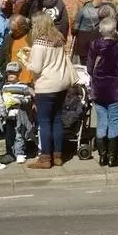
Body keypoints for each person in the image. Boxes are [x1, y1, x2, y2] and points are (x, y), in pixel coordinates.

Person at [27, 13, 76, 169]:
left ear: (40, 25)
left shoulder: (39, 44)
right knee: (57, 119)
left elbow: (36, 68)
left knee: (44, 121)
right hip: (61, 84)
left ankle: (45, 158)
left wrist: (25, 61)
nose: (33, 26)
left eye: (35, 24)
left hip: (46, 86)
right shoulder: (58, 41)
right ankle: (58, 155)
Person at [87, 17, 118, 168]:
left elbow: (89, 68)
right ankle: (112, 157)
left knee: (101, 122)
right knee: (114, 122)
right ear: (115, 31)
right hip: (115, 89)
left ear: (100, 30)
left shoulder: (94, 46)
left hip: (99, 89)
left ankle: (102, 156)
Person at [1, 63, 33, 164]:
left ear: (19, 73)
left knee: (19, 134)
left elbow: (28, 99)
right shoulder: (5, 87)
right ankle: (10, 153)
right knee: (9, 134)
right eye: (9, 72)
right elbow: (2, 98)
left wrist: (21, 101)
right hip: (9, 114)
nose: (11, 75)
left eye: (13, 73)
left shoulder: (23, 86)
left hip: (20, 113)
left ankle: (20, 153)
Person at [71, 0, 99, 65]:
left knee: (84, 62)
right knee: (92, 61)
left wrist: (73, 32)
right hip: (94, 38)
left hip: (83, 38)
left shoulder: (82, 10)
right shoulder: (97, 10)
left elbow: (76, 27)